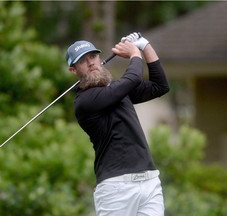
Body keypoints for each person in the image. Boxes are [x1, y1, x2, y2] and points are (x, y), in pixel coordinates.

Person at [66, 32, 170, 216]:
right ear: (73, 70)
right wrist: (134, 53)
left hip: (149, 181)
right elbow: (131, 79)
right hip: (116, 187)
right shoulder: (84, 101)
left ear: (99, 58)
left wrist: (144, 45)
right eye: (83, 61)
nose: (91, 63)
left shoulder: (117, 89)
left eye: (93, 56)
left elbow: (160, 85)